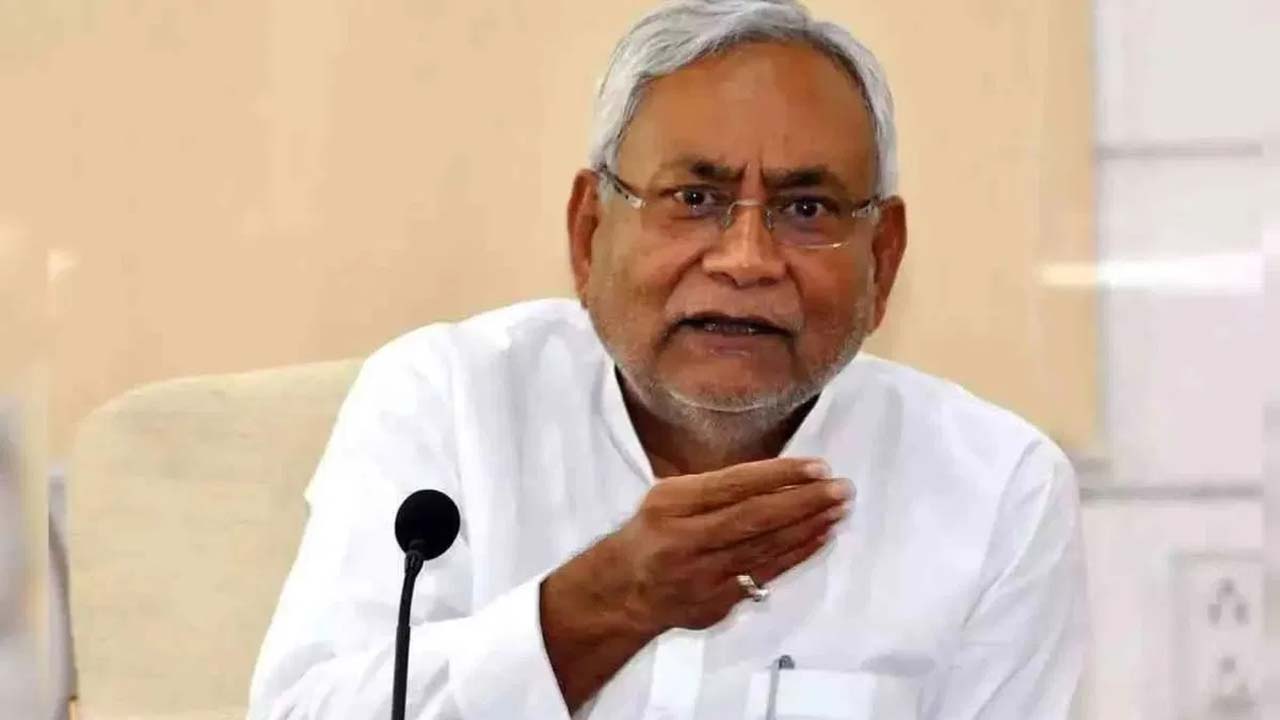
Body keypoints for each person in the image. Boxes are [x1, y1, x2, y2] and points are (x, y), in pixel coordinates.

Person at [248, 1, 1087, 717]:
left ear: (884, 257)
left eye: (806, 207)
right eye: (695, 199)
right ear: (589, 233)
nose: (747, 259)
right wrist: (602, 603)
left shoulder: (996, 491)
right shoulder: (447, 403)